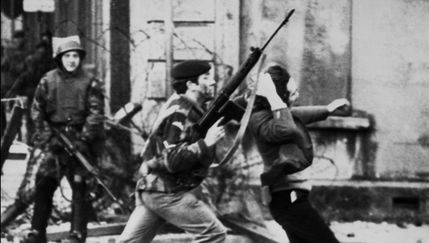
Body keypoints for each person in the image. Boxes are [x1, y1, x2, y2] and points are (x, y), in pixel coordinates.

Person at [238, 64, 349, 243]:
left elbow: (296, 115)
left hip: (290, 199)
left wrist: (328, 109)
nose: (297, 96)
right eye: (293, 93)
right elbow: (286, 127)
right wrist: (273, 95)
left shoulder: (277, 114)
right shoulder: (260, 120)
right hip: (287, 200)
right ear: (278, 98)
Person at [119, 60, 227, 243]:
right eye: (206, 77)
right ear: (191, 85)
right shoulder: (180, 111)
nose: (213, 82)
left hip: (153, 189)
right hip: (166, 191)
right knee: (214, 234)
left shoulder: (187, 107)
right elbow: (171, 158)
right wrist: (205, 143)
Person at [23, 36, 105, 243]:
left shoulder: (90, 81)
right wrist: (46, 137)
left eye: (75, 56)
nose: (71, 60)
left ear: (80, 58)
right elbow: (37, 110)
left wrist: (84, 139)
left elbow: (96, 113)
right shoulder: (47, 80)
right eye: (67, 56)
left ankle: (77, 234)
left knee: (80, 187)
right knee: (43, 184)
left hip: (79, 142)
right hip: (55, 140)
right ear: (60, 58)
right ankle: (37, 232)